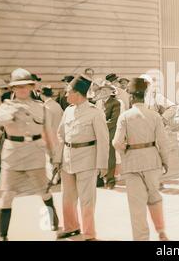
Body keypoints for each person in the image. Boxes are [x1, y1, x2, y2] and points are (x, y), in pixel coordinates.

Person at [0, 68, 60, 241]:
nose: (22, 90)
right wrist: (12, 113)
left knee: (44, 191)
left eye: (25, 86)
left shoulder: (41, 107)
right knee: (7, 195)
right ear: (13, 89)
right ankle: (3, 235)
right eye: (18, 87)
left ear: (31, 87)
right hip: (13, 154)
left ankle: (53, 221)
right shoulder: (5, 107)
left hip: (35, 153)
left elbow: (47, 132)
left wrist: (54, 155)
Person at [112, 78, 171, 241]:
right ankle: (161, 232)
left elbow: (116, 142)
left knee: (136, 206)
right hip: (152, 160)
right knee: (154, 197)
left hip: (132, 163)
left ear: (131, 97)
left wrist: (127, 153)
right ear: (144, 96)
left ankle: (141, 238)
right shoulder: (155, 116)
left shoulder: (124, 117)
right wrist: (165, 161)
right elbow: (163, 142)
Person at [54, 74, 109, 241]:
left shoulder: (95, 113)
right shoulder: (68, 111)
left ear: (77, 93)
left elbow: (103, 140)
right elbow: (60, 134)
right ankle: (71, 227)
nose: (65, 95)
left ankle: (89, 233)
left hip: (87, 160)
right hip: (67, 160)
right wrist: (58, 158)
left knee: (87, 200)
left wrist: (102, 165)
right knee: (67, 198)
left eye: (68, 92)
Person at [92, 82, 121, 189]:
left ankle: (110, 180)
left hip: (110, 132)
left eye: (105, 90)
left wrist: (100, 128)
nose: (103, 92)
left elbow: (113, 120)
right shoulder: (97, 103)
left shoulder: (115, 103)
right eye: (102, 90)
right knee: (98, 155)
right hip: (98, 132)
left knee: (110, 157)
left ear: (110, 92)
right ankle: (99, 179)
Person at [41, 86, 64, 182]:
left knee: (51, 158)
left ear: (42, 95)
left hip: (51, 136)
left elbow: (47, 125)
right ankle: (58, 177)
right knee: (58, 157)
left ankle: (54, 178)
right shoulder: (57, 105)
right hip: (59, 135)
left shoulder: (46, 107)